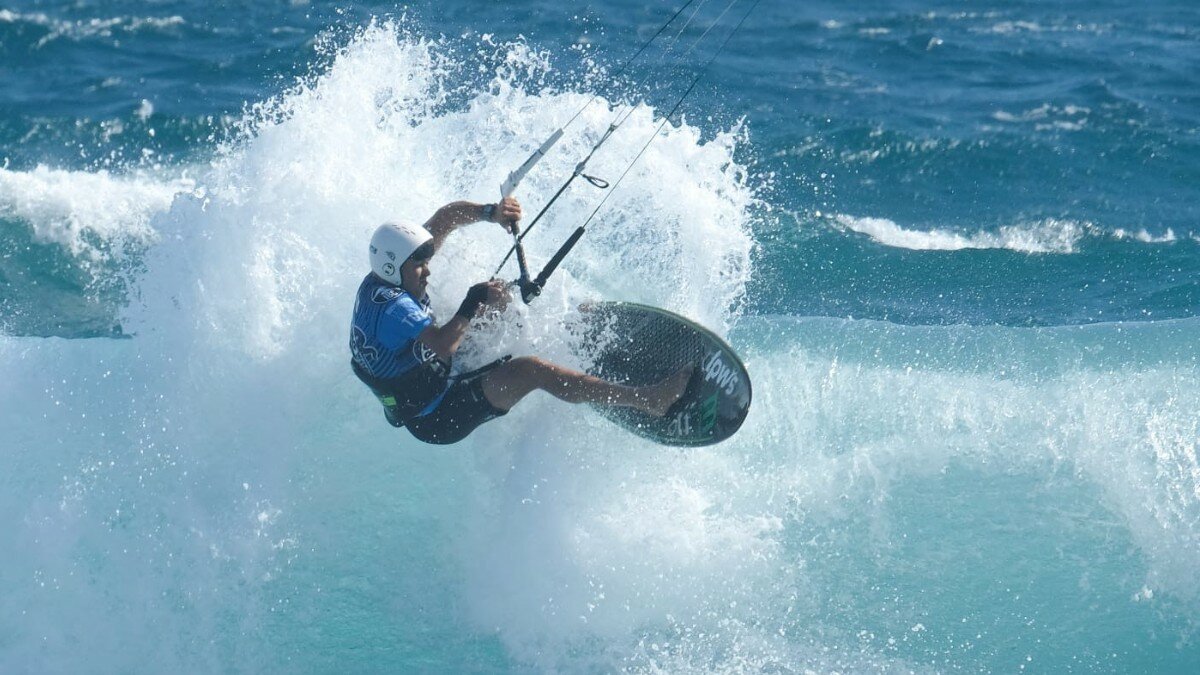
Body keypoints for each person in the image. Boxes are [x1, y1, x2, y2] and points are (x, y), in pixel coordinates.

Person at [349, 197, 692, 444]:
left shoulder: (391, 270)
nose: (427, 271)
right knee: (531, 370)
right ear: (394, 269)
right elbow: (443, 344)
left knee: (498, 300)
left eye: (425, 262)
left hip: (430, 372)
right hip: (438, 416)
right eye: (419, 267)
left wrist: (491, 213)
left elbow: (446, 217)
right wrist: (472, 299)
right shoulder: (393, 307)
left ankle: (568, 336)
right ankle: (649, 400)